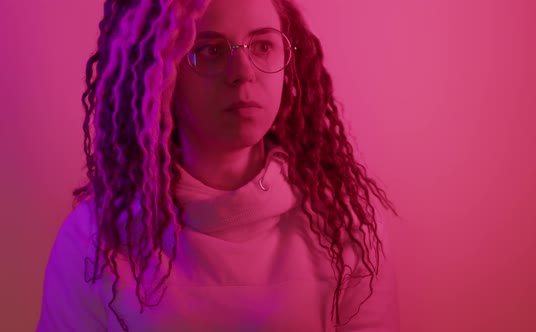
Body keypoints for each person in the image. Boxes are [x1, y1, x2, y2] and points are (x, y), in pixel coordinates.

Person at [36, 0, 401, 330]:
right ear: (163, 76)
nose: (243, 72)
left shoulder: (347, 225)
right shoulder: (94, 240)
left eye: (262, 45)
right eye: (210, 50)